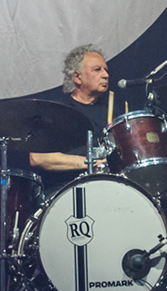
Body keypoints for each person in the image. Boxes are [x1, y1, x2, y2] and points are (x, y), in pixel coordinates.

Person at [26, 44, 116, 185]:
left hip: (110, 187)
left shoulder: (113, 111)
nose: (106, 75)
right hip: (67, 190)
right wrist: (92, 163)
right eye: (97, 70)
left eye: (105, 70)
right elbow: (38, 158)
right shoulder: (56, 111)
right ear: (77, 77)